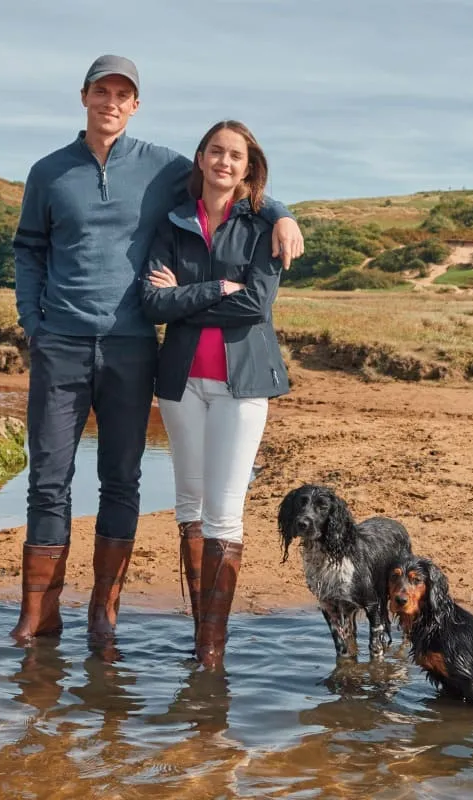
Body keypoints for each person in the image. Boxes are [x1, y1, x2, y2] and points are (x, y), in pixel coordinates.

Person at [11, 56, 303, 645]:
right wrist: (33, 324)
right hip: (61, 344)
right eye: (102, 91)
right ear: (85, 97)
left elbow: (229, 180)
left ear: (136, 104)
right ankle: (38, 614)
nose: (111, 102)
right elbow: (28, 249)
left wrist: (282, 213)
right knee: (47, 479)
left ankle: (103, 612)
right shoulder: (47, 171)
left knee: (121, 479)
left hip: (132, 346)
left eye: (123, 94)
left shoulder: (162, 166)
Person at [139, 120, 291, 669]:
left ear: (248, 167)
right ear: (200, 158)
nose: (224, 162)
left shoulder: (264, 226)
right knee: (190, 510)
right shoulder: (173, 221)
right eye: (216, 152)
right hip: (179, 384)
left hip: (242, 383)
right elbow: (152, 305)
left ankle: (211, 652)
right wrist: (210, 291)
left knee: (225, 516)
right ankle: (198, 634)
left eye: (236, 156)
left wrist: (183, 296)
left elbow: (255, 305)